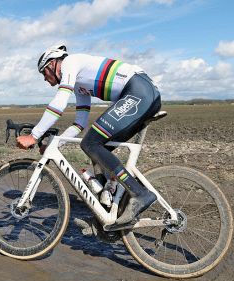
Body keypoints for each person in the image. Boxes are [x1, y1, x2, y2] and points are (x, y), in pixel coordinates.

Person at [16, 44, 161, 229]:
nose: (46, 79)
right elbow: (79, 123)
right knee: (99, 151)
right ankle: (105, 212)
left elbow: (60, 102)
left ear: (52, 64)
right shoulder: (79, 85)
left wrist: (34, 136)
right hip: (141, 93)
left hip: (139, 91)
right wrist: (55, 145)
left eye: (44, 73)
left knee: (91, 144)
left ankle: (139, 193)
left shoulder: (69, 62)